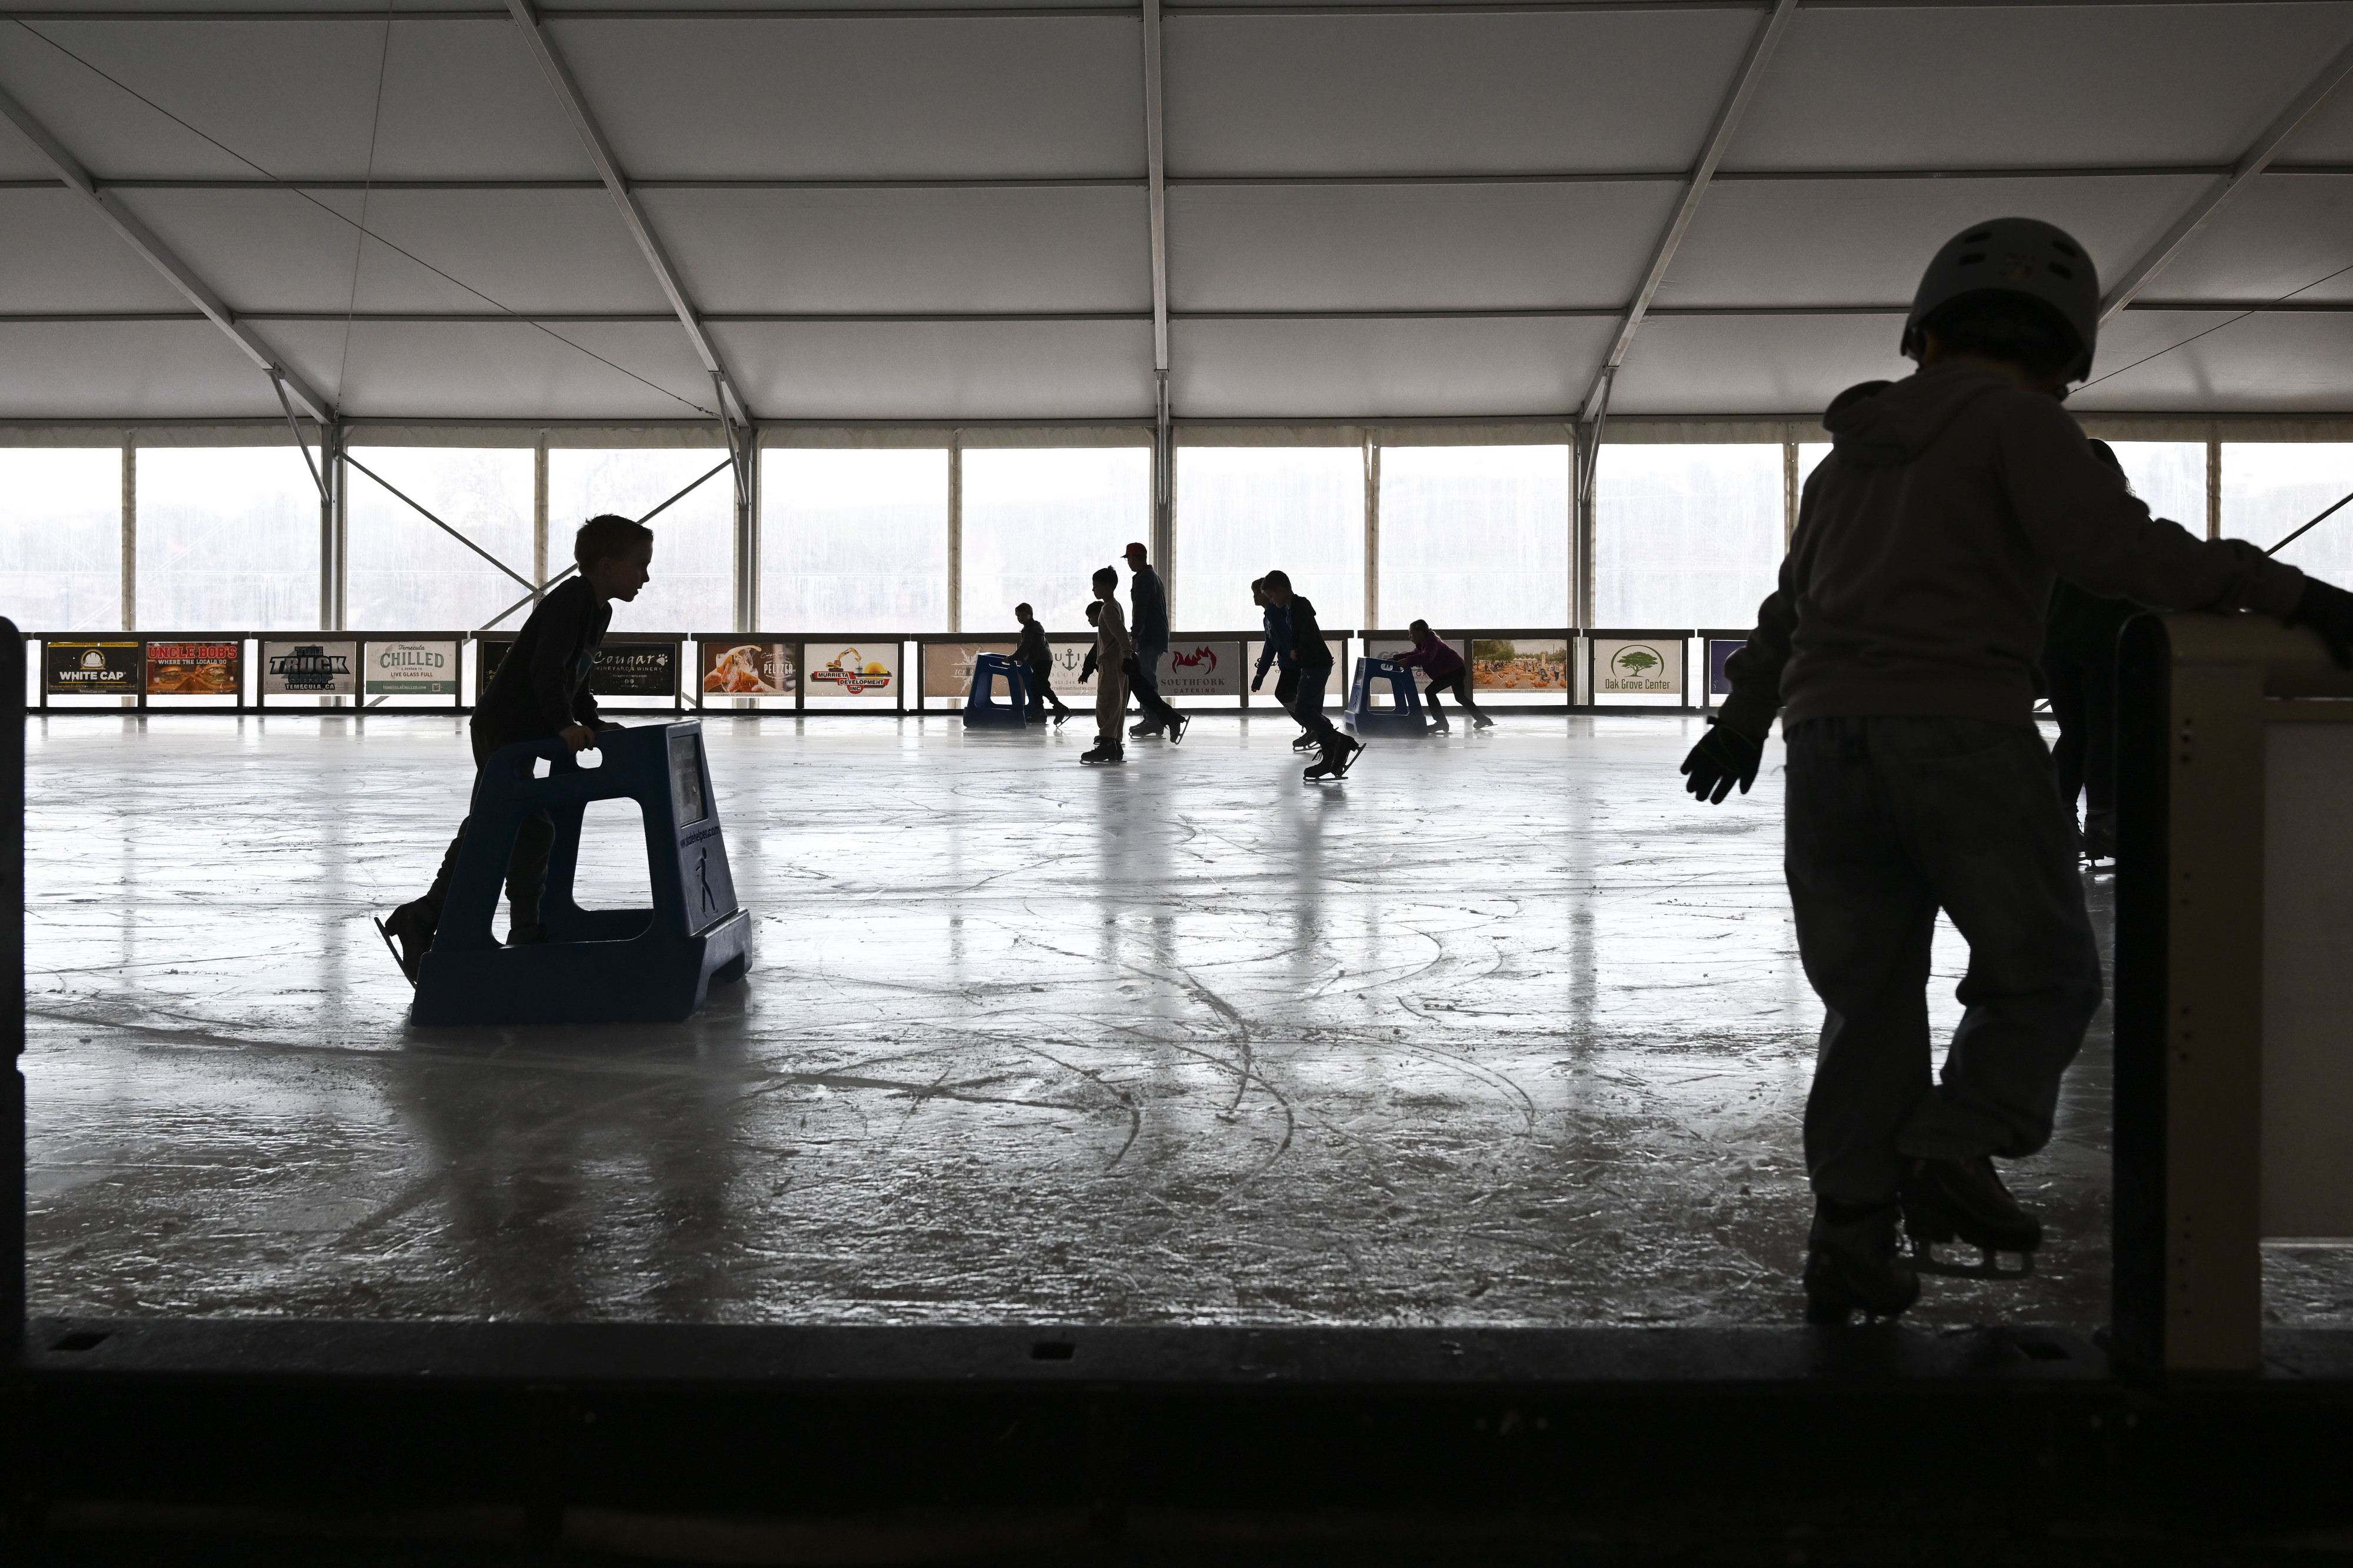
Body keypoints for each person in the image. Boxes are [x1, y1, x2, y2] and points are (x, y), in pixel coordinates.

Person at [1679, 216, 2353, 1326]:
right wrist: (2290, 594)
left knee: (1868, 1003)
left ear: (1924, 335)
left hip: (1826, 746)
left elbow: (1789, 609)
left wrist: (1745, 717)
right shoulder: (2027, 431)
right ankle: (1952, 1145)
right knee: (2045, 972)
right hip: (1960, 734)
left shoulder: (1849, 463)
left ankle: (1849, 1240)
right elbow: (2123, 557)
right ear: (2066, 354)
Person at [376, 514, 654, 978]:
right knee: (497, 824)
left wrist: (590, 720)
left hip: (528, 729)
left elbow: (573, 676)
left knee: (528, 828)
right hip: (504, 728)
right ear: (606, 566)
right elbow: (546, 668)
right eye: (640, 565)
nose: (646, 577)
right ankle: (427, 918)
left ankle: (521, 927)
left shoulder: (598, 610)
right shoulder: (571, 601)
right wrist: (564, 724)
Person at [2039, 442, 2141, 864]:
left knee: (2075, 733)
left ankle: (2060, 822)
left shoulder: (2049, 526)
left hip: (2056, 644)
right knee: (2104, 734)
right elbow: (2148, 582)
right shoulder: (2125, 525)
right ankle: (2104, 825)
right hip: (2104, 642)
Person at [1259, 569, 1360, 781]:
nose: (1270, 600)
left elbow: (1307, 632)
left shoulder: (1298, 607)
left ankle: (1337, 742)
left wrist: (1298, 650)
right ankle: (1332, 752)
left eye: (1271, 596)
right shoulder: (1291, 609)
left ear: (1280, 589)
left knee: (1304, 709)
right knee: (1308, 710)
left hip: (1316, 664)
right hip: (1312, 664)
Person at [1122, 542, 1188, 744]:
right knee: (1145, 678)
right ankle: (1157, 718)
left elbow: (1139, 609)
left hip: (1149, 637)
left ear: (1135, 558)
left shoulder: (1144, 579)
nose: (1128, 563)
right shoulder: (1152, 577)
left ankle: (1155, 720)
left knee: (1145, 680)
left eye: (1129, 559)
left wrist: (1134, 635)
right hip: (1155, 636)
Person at [1389, 620, 1492, 733]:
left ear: (1420, 633)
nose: (1410, 637)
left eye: (1411, 633)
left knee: (1430, 692)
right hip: (1456, 669)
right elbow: (1414, 654)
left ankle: (1441, 722)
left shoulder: (1431, 641)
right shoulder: (1422, 644)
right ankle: (1483, 719)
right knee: (1460, 697)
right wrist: (1396, 658)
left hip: (1455, 670)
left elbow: (1428, 657)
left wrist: (1407, 661)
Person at [1251, 576, 1311, 749]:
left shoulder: (1275, 612)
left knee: (1285, 694)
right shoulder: (1267, 618)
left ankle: (1315, 726)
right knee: (1287, 695)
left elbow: (1288, 635)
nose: (1255, 597)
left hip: (1294, 662)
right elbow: (1270, 647)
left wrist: (1295, 653)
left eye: (1258, 593)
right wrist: (1260, 674)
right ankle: (1312, 726)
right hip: (1287, 663)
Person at [1081, 566, 1132, 766]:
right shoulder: (1115, 606)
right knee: (1115, 701)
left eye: (1096, 586)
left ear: (1108, 586)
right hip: (1114, 661)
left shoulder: (1109, 609)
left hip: (1111, 662)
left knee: (1107, 702)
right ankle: (1114, 743)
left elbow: (1121, 634)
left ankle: (1108, 743)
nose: (1094, 590)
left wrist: (1127, 655)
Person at [1012, 602, 1071, 726]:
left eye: (1023, 615)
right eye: (1018, 615)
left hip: (1041, 660)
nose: (1021, 618)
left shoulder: (1030, 629)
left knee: (1041, 685)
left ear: (1030, 615)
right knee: (1035, 686)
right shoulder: (1033, 627)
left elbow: (1025, 646)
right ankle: (1040, 713)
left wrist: (1012, 658)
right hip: (1042, 659)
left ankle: (1059, 707)